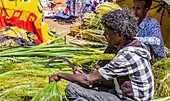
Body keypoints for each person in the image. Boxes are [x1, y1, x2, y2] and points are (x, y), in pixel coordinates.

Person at [49, 8, 155, 101]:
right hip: (129, 94)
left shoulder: (126, 56)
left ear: (119, 35)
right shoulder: (136, 45)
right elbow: (112, 81)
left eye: (107, 33)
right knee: (93, 85)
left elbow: (87, 80)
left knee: (72, 89)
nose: (104, 35)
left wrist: (60, 75)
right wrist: (96, 81)